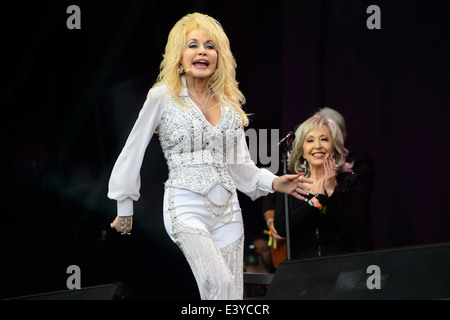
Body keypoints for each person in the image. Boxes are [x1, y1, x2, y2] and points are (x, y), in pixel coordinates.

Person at [107, 12, 311, 300]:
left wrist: (277, 183)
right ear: (179, 55)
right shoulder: (163, 96)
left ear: (219, 57)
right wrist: (124, 206)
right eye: (193, 44)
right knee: (219, 285)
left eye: (210, 46)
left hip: (229, 212)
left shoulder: (229, 105)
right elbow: (133, 148)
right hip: (185, 205)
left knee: (230, 297)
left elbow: (242, 168)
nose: (202, 51)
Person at [272, 114, 373, 260]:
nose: (317, 146)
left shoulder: (350, 181)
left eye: (324, 139)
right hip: (301, 270)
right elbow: (282, 229)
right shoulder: (292, 183)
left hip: (342, 268)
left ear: (334, 146)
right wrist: (318, 200)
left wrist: (332, 193)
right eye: (310, 140)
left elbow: (356, 230)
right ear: (302, 150)